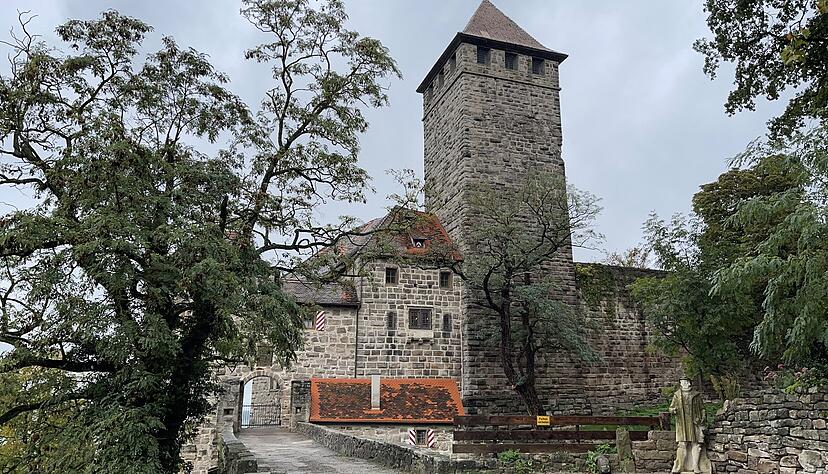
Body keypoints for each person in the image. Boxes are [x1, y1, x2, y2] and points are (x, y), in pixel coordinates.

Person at [670, 378, 710, 473]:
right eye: (681, 382)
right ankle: (680, 466)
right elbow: (671, 407)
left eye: (684, 382)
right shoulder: (677, 395)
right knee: (682, 444)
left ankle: (696, 466)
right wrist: (673, 410)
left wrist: (702, 418)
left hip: (695, 423)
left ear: (688, 383)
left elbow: (702, 409)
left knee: (696, 444)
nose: (682, 384)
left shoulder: (696, 395)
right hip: (682, 423)